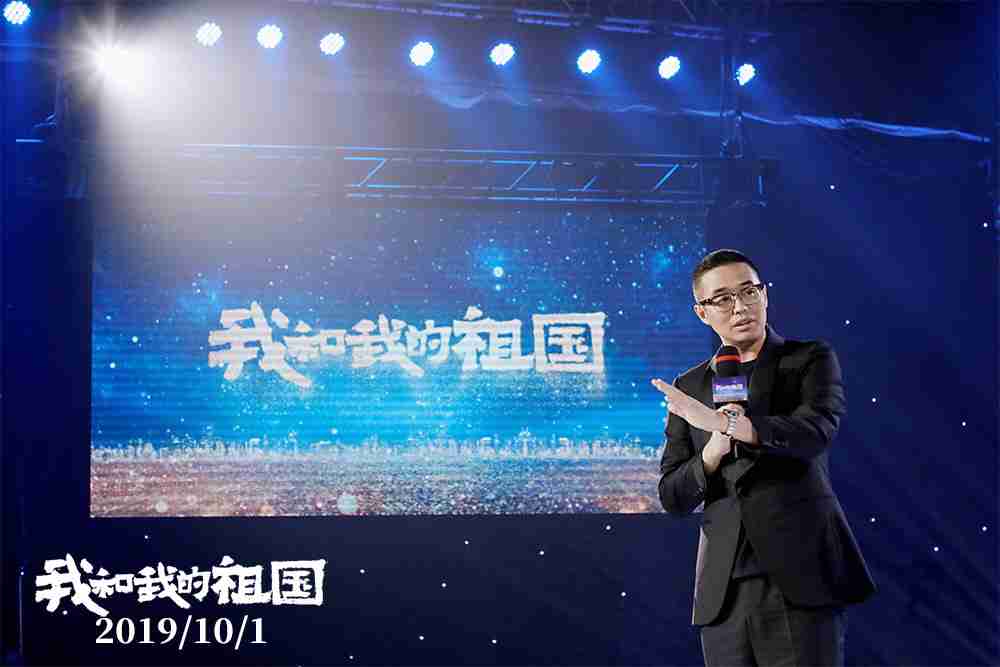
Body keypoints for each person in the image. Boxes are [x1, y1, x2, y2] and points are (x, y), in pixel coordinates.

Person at [652, 249, 876, 667]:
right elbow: (672, 495)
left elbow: (814, 432)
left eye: (748, 292)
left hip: (800, 577)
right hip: (723, 592)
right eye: (722, 299)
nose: (739, 307)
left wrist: (730, 425)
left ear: (765, 295)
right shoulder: (690, 387)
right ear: (702, 313)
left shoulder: (808, 359)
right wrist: (713, 450)